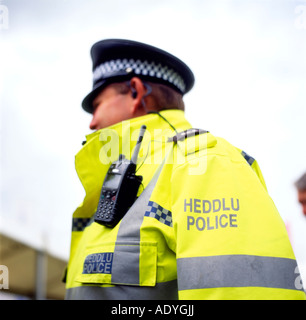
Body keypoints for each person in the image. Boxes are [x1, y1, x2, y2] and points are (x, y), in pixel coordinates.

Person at [65, 39, 306, 300]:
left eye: (98, 104)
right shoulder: (127, 177)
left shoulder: (204, 164)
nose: (92, 122)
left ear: (135, 91)